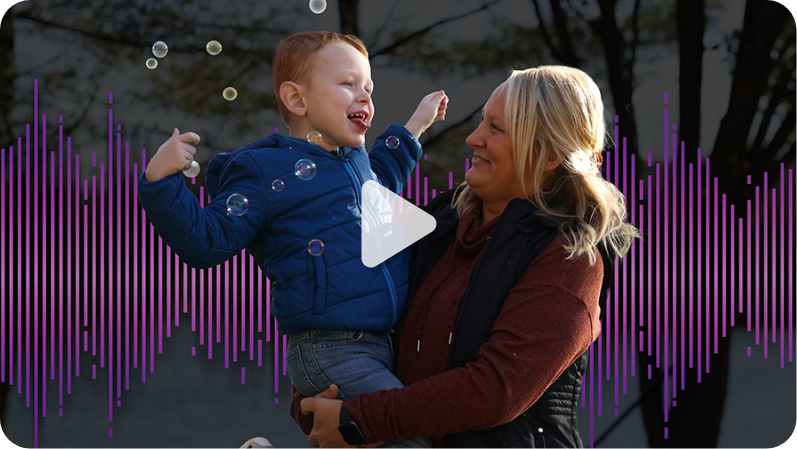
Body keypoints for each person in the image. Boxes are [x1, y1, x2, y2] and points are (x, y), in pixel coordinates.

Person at [293, 65, 640, 449]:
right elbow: (354, 311)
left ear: (551, 153)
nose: (474, 139)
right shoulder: (440, 221)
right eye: (481, 123)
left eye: (497, 129)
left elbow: (496, 389)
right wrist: (317, 397)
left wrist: (359, 422)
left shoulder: (572, 258)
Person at [136, 31, 447, 449]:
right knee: (408, 440)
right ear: (297, 100)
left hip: (380, 341)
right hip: (331, 349)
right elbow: (206, 240)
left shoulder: (353, 162)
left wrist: (415, 127)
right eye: (348, 84)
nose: (365, 97)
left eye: (369, 88)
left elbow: (382, 179)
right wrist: (161, 182)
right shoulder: (265, 172)